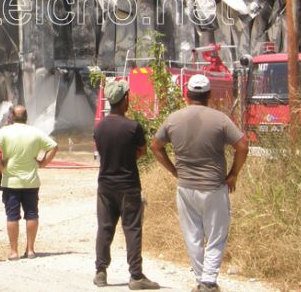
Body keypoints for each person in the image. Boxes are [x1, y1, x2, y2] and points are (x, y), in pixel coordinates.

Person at [150, 74, 249, 292]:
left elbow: (156, 146)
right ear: (209, 95)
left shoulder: (173, 119)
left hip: (185, 187)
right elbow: (242, 146)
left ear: (187, 95)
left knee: (192, 235)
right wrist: (233, 174)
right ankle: (208, 281)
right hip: (214, 187)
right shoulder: (220, 119)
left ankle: (201, 280)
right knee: (216, 235)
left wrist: (174, 170)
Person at [93, 80, 160, 290]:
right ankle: (136, 276)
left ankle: (100, 272)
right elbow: (142, 151)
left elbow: (102, 150)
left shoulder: (100, 127)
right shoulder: (133, 127)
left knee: (105, 228)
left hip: (105, 185)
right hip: (129, 185)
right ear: (125, 100)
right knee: (132, 229)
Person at [0, 105, 58, 261]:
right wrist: (43, 163)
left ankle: (14, 251)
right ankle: (31, 250)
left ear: (12, 116)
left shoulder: (5, 131)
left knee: (12, 216)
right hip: (31, 181)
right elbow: (54, 146)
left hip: (11, 181)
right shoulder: (35, 132)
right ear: (27, 116)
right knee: (32, 214)